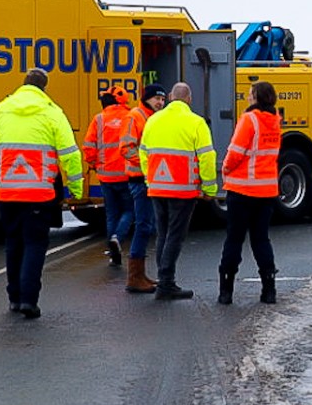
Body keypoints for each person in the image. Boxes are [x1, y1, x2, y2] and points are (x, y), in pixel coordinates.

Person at [0, 67, 82, 319]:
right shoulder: (52, 113)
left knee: (13, 243)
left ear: (23, 84)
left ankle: (14, 298)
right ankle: (29, 301)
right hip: (39, 195)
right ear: (44, 87)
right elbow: (70, 155)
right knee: (34, 244)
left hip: (7, 193)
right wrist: (75, 189)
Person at [137, 82, 219, 300]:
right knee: (175, 236)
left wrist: (150, 179)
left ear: (171, 97)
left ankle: (164, 280)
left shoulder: (153, 120)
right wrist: (209, 188)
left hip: (157, 188)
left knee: (163, 234)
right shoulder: (196, 123)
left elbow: (143, 154)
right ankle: (166, 283)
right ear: (189, 99)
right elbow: (207, 158)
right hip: (183, 190)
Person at [218, 80, 281, 304]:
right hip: (266, 191)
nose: (247, 97)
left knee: (234, 239)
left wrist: (225, 169)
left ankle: (226, 291)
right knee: (261, 240)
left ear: (256, 97)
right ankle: (269, 290)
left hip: (242, 190)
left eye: (250, 94)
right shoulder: (275, 121)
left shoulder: (249, 119)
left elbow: (235, 152)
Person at [80, 86, 136, 268]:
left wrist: (94, 165)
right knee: (129, 211)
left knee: (111, 214)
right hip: (126, 174)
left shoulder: (99, 119)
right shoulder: (130, 117)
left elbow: (88, 147)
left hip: (106, 176)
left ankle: (113, 254)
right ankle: (117, 238)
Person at [119, 84, 166, 294]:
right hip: (139, 178)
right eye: (157, 98)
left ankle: (139, 274)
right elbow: (126, 148)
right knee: (144, 225)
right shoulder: (135, 116)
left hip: (150, 178)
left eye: (163, 99)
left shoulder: (153, 117)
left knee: (148, 225)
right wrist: (148, 163)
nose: (160, 102)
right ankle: (135, 276)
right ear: (147, 98)